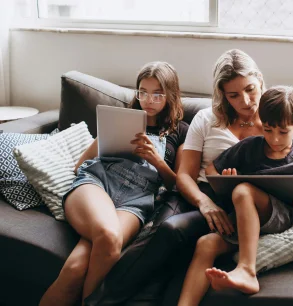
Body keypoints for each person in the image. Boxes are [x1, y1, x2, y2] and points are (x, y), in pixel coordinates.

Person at [83, 49, 293, 305]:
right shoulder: (207, 119)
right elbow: (184, 175)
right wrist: (204, 203)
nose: (246, 100)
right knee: (169, 231)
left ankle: (100, 300)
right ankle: (100, 299)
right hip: (198, 196)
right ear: (222, 95)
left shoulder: (277, 119)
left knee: (180, 239)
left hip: (245, 206)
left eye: (251, 89)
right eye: (233, 95)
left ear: (261, 81)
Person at [177, 85, 293, 306]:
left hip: (283, 218)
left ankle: (247, 270)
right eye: (267, 129)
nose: (274, 139)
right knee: (206, 244)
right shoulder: (249, 147)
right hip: (246, 220)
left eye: (283, 132)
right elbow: (210, 171)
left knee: (244, 190)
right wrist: (226, 178)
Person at [39, 61, 188, 306]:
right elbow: (80, 165)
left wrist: (157, 161)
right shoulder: (121, 118)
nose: (148, 100)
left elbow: (178, 184)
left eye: (157, 94)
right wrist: (109, 136)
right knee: (107, 235)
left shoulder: (180, 131)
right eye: (143, 92)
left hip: (135, 201)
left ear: (171, 95)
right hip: (98, 184)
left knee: (76, 267)